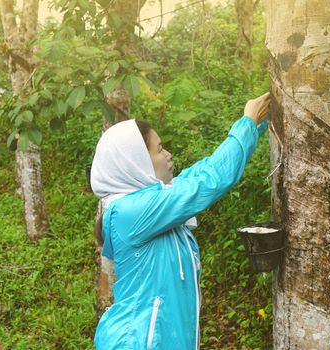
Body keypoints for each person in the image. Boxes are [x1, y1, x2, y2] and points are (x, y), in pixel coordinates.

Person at [90, 92, 271, 349]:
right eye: (160, 149)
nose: (169, 155)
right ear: (136, 162)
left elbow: (199, 173)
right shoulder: (130, 211)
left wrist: (258, 123)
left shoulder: (152, 204)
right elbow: (206, 182)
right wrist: (246, 122)